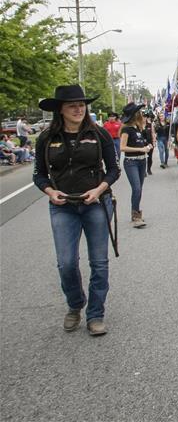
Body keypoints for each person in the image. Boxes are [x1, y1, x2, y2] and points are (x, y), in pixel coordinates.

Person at [33, 85, 120, 336]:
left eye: (82, 104)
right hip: (63, 207)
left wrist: (99, 189)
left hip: (95, 204)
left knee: (99, 263)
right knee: (66, 263)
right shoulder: (46, 138)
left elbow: (114, 169)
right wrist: (50, 192)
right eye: (72, 105)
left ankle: (95, 314)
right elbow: (39, 174)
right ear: (60, 109)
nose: (78, 109)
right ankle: (75, 304)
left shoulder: (99, 134)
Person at [119, 103, 151, 227]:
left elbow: (141, 144)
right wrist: (141, 149)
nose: (142, 114)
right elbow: (122, 147)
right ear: (135, 115)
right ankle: (136, 216)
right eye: (140, 112)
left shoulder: (138, 129)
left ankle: (136, 210)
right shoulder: (126, 129)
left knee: (139, 189)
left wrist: (147, 147)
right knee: (136, 188)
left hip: (142, 161)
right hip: (131, 162)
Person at [141, 108, 156, 176]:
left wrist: (154, 142)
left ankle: (149, 169)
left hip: (149, 143)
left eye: (145, 117)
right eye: (143, 117)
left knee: (149, 157)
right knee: (142, 157)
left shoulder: (150, 124)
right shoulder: (138, 125)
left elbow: (153, 133)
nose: (144, 118)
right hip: (140, 144)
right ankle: (143, 171)